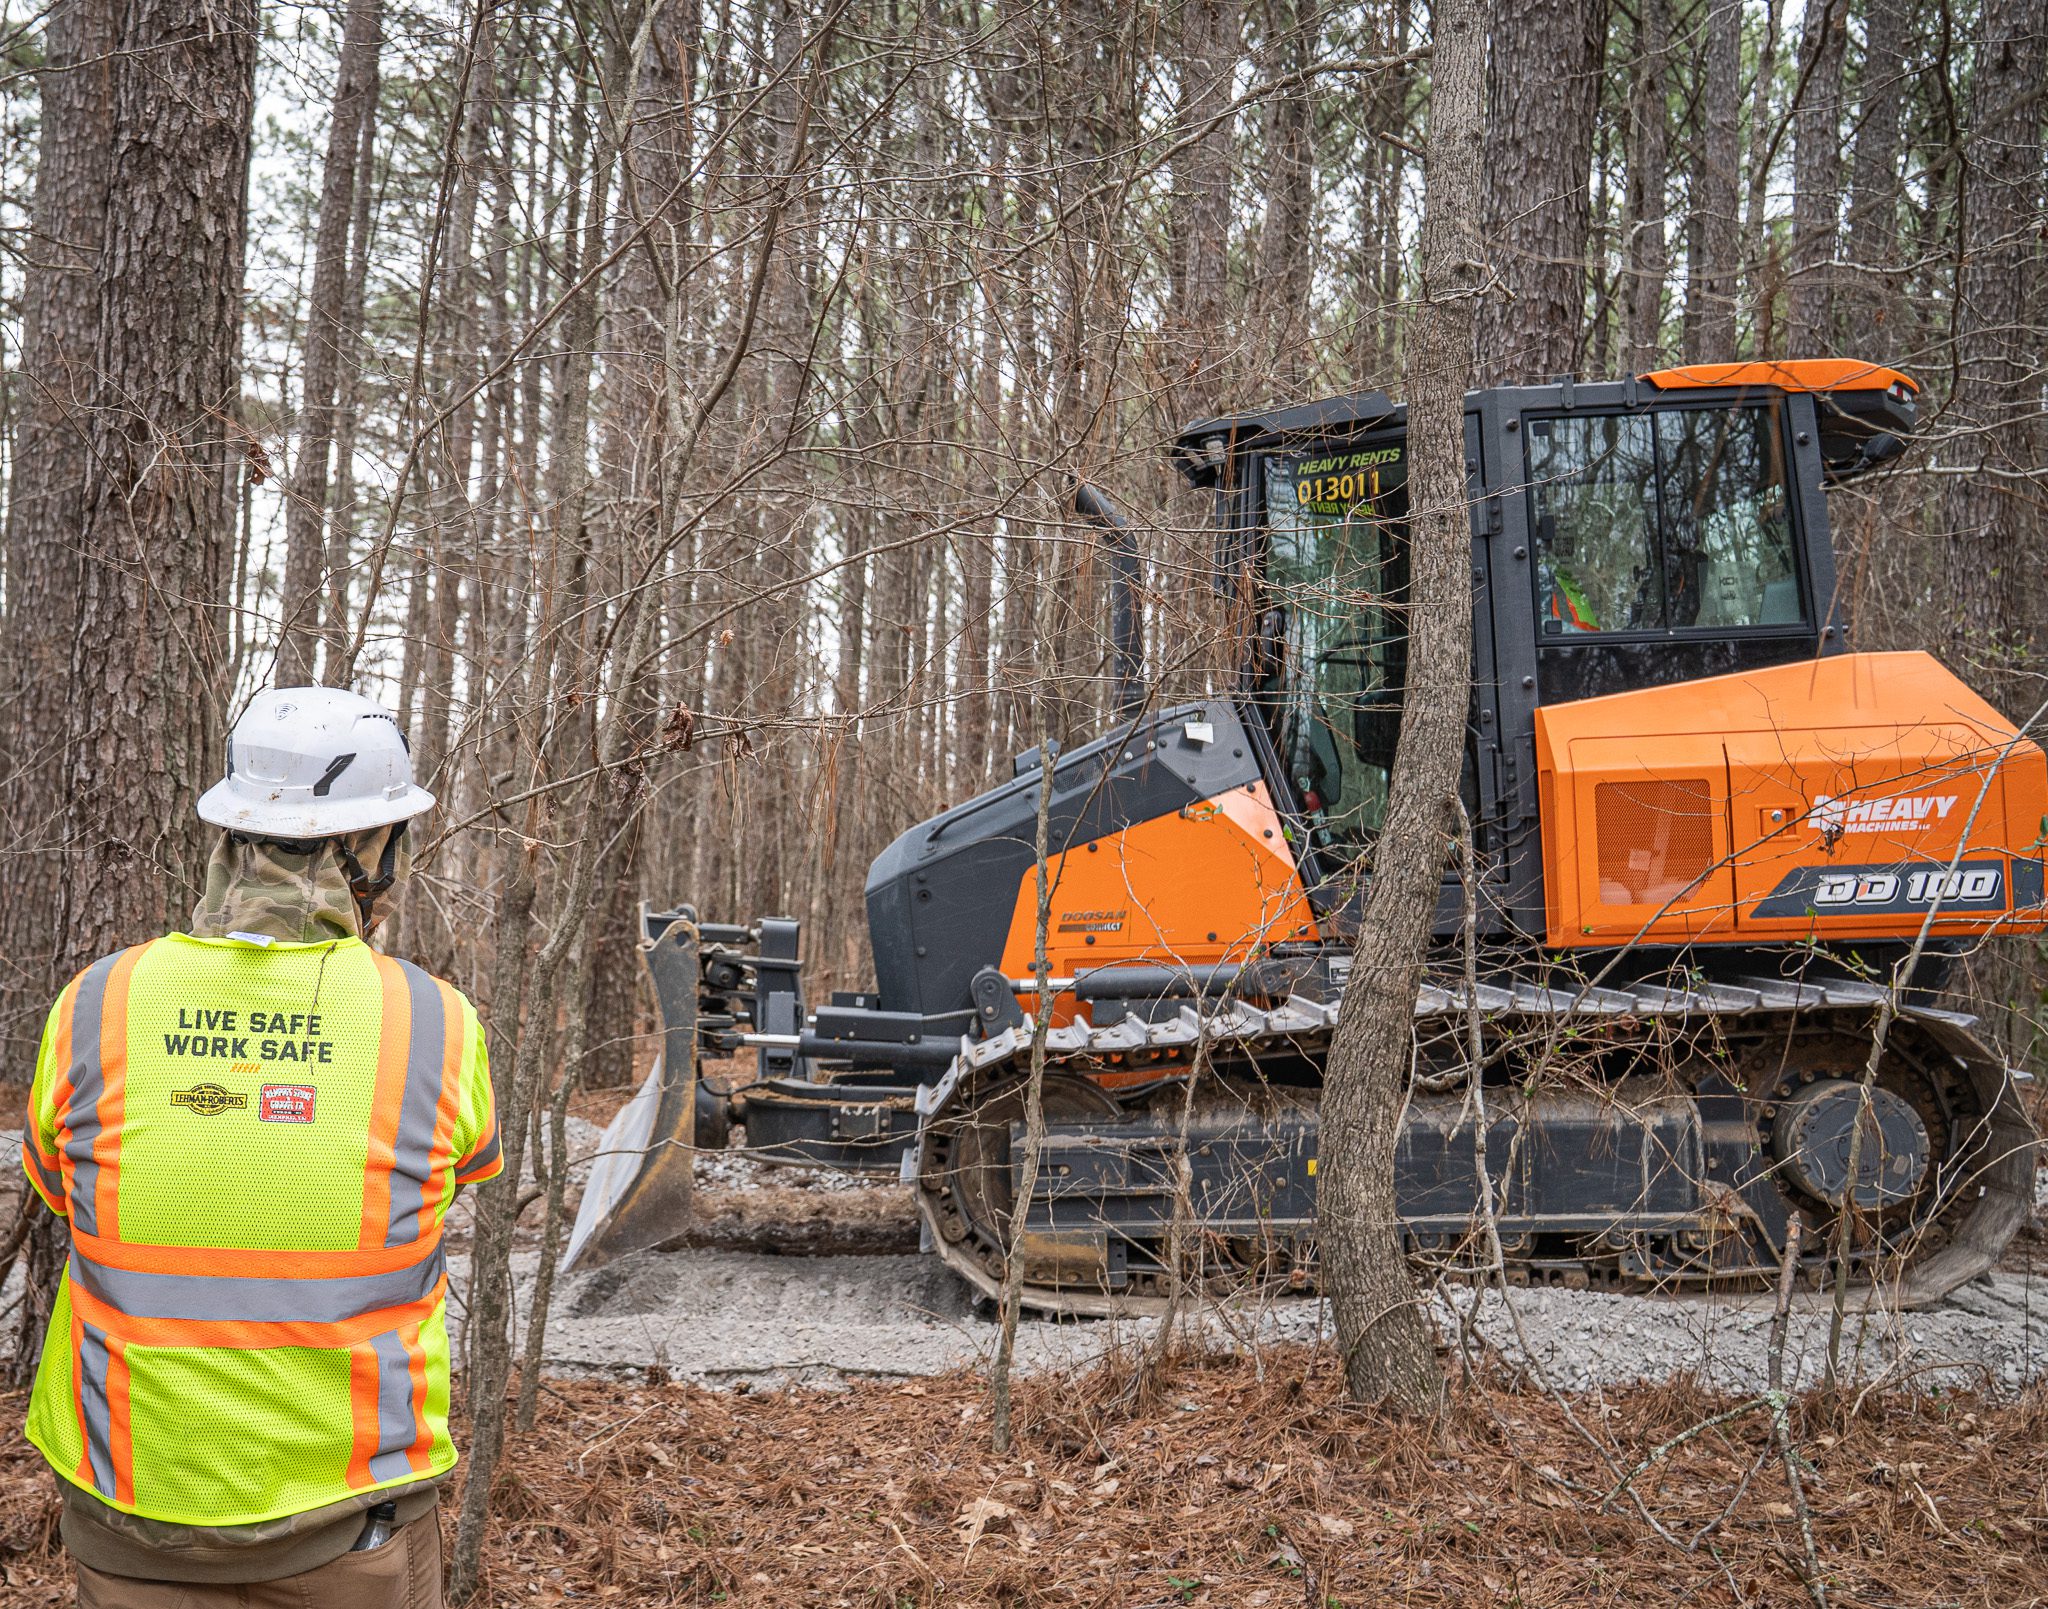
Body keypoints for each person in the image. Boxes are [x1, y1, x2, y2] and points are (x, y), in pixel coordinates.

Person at [18, 687, 500, 1608]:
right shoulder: (433, 1023)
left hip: (129, 1521)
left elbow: (58, 1187)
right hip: (350, 1526)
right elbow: (446, 1188)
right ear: (370, 853)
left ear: (231, 832)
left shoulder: (96, 1003)